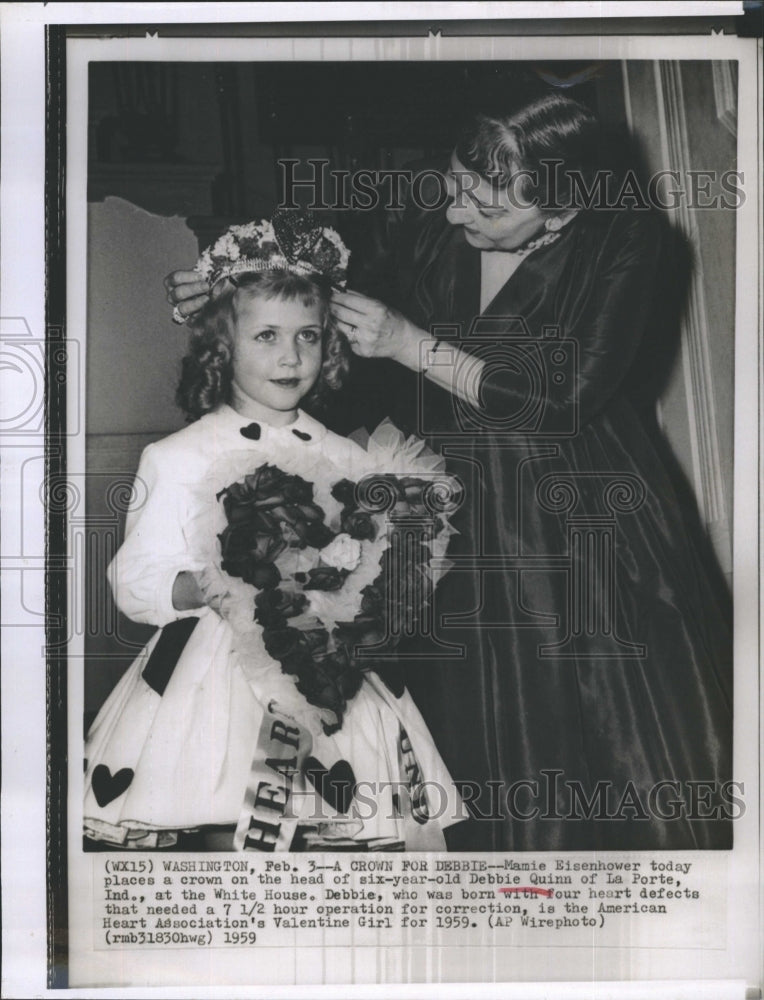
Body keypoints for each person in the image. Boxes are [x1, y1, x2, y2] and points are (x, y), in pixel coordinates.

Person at [166, 94, 733, 852]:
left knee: (589, 712)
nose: (460, 212)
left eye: (490, 209)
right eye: (456, 184)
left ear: (561, 207)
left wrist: (413, 345)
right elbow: (318, 289)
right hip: (443, 502)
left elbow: (563, 403)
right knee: (453, 717)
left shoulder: (628, 240)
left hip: (568, 510)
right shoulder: (438, 229)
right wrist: (224, 285)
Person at [84, 213, 465, 852]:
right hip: (215, 676)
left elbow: (377, 572)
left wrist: (379, 578)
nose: (290, 356)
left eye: (308, 337)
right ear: (222, 344)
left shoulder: (347, 456)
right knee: (226, 823)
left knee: (340, 834)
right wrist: (208, 584)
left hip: (328, 671)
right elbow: (134, 580)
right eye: (266, 335)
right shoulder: (177, 456)